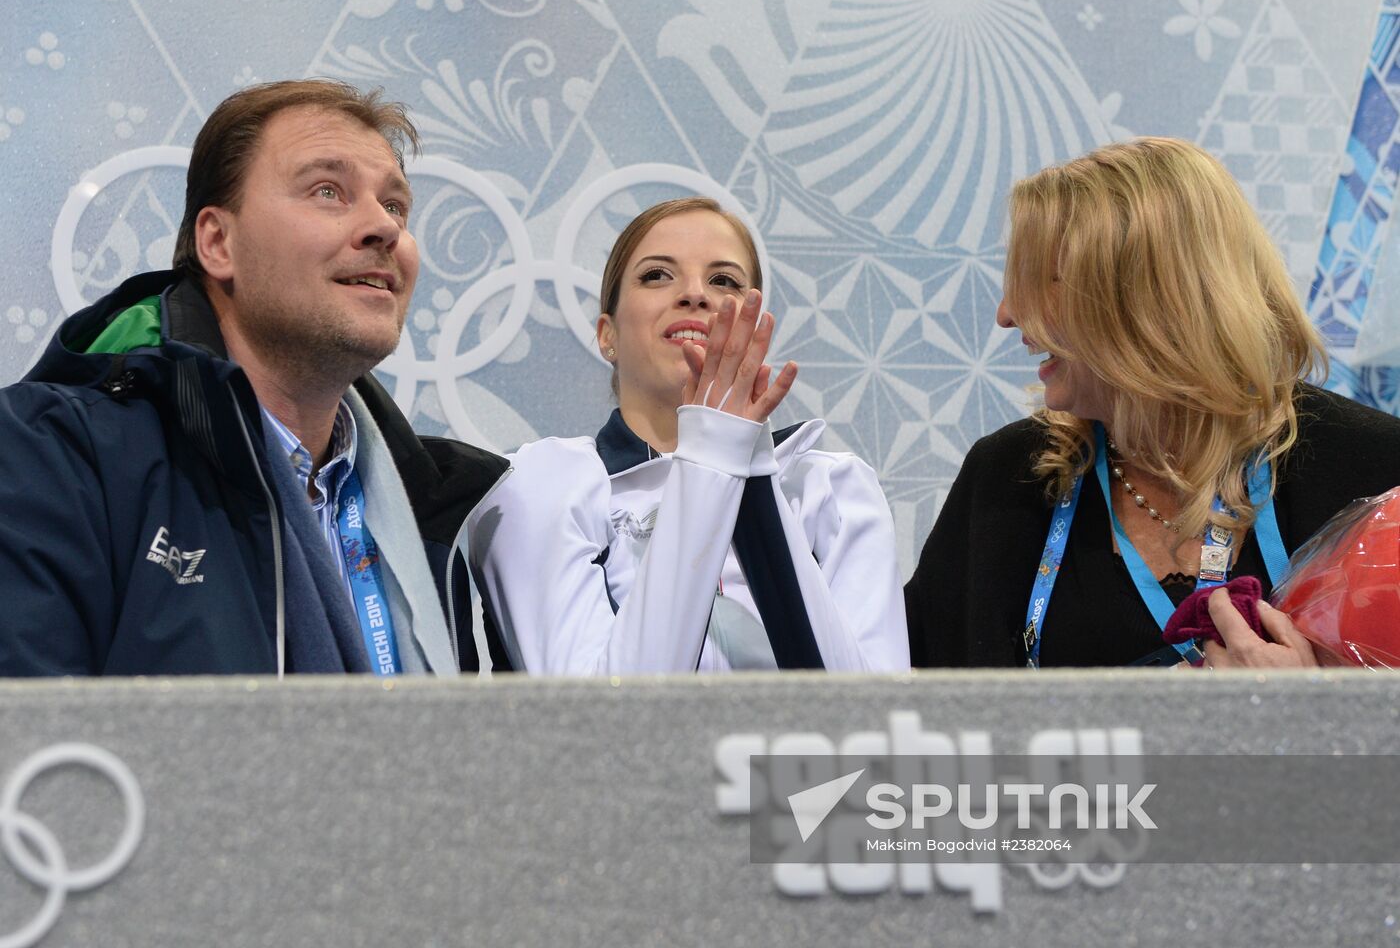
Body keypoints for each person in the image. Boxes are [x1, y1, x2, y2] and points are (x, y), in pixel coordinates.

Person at [0, 79, 507, 676]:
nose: (384, 228)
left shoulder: (445, 510)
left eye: (395, 205)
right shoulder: (55, 457)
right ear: (218, 243)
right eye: (328, 191)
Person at [906, 137, 1400, 669]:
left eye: (1043, 283)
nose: (1006, 314)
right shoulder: (1007, 478)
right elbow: (923, 704)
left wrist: (1317, 712)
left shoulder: (1376, 470)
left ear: (1149, 299)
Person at [468, 198, 909, 673]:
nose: (695, 294)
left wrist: (751, 474)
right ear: (607, 334)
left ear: (753, 326)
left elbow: (867, 709)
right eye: (657, 275)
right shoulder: (541, 481)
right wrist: (714, 454)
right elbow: (601, 709)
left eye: (724, 281)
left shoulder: (833, 489)